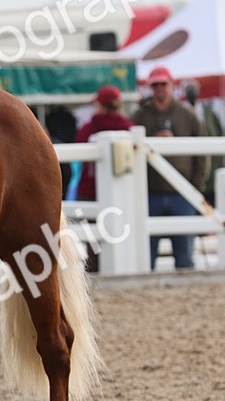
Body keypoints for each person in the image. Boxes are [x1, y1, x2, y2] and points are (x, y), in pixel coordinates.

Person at [131, 65, 210, 270]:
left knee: (184, 253)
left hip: (182, 193)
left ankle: (187, 294)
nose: (159, 88)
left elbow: (202, 152)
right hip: (150, 192)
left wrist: (195, 187)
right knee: (146, 254)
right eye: (155, 84)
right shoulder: (139, 116)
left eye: (163, 84)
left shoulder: (188, 115)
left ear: (171, 85)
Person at [76, 86, 133, 271]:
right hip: (125, 192)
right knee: (124, 237)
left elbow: (78, 151)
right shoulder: (129, 128)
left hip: (89, 191)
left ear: (101, 106)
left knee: (92, 244)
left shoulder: (88, 128)